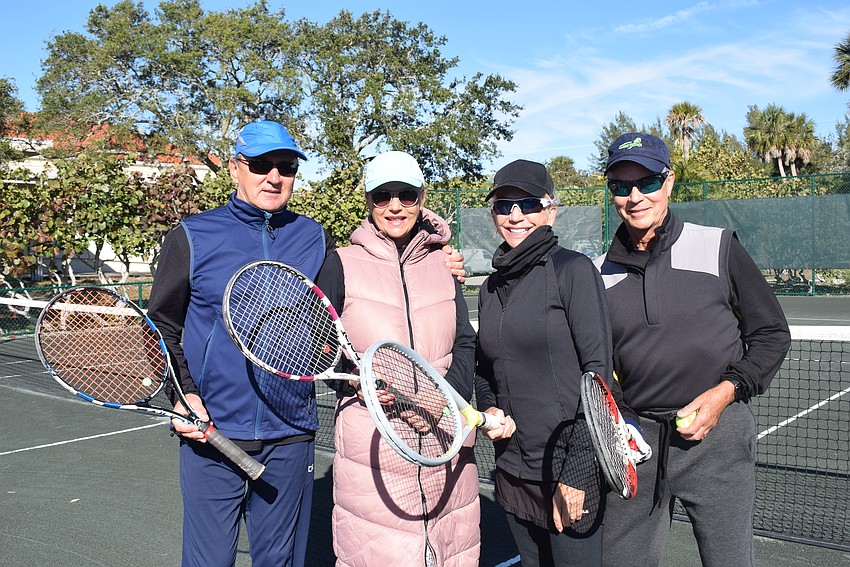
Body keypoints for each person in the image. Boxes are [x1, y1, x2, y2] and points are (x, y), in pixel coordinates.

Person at [595, 132, 792, 567]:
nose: (635, 196)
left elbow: (771, 333)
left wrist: (726, 392)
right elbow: (597, 364)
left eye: (647, 182)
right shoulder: (597, 274)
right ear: (611, 193)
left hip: (717, 442)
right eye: (621, 186)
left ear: (669, 182)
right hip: (635, 444)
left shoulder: (718, 246)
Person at [146, 120, 331, 567]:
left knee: (280, 562)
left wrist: (441, 257)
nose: (274, 176)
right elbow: (161, 325)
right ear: (234, 168)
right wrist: (183, 393)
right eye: (260, 164)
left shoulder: (314, 237)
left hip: (290, 434)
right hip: (211, 436)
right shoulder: (191, 236)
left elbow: (333, 321)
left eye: (285, 166)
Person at [315, 150, 480, 567]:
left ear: (422, 197)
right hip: (372, 448)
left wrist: (445, 402)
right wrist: (355, 384)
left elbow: (464, 341)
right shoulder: (340, 264)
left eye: (406, 194)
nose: (394, 205)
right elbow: (319, 348)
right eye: (382, 195)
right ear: (368, 201)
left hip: (445, 440)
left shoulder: (444, 263)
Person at [474, 159, 631, 567]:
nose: (515, 215)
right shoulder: (489, 288)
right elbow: (484, 368)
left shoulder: (573, 271)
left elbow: (598, 378)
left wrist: (577, 474)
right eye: (503, 205)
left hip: (568, 473)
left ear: (550, 210)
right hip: (512, 469)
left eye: (527, 204)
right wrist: (491, 406)